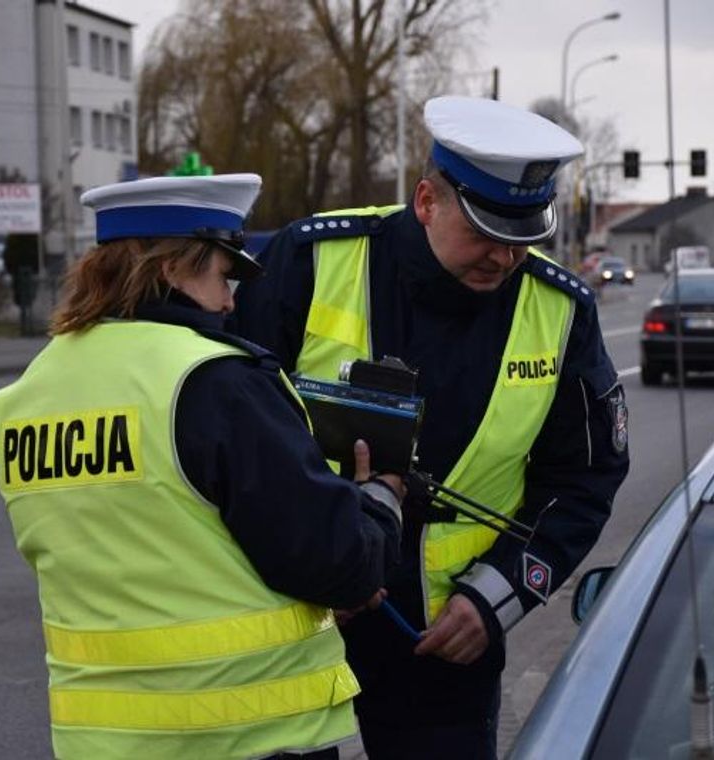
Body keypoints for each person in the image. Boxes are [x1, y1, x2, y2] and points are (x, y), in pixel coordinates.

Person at [231, 96, 631, 758]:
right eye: (483, 233)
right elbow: (234, 442)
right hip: (297, 617)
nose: (504, 259)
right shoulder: (311, 262)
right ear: (425, 201)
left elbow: (584, 479)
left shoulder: (561, 312)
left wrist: (498, 599)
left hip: (448, 633)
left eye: (521, 239)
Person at [0, 174, 404, 760]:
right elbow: (336, 565)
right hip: (246, 733)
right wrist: (379, 499)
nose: (232, 301)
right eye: (221, 275)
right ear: (172, 268)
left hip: (101, 743)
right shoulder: (215, 380)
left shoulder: (18, 401)